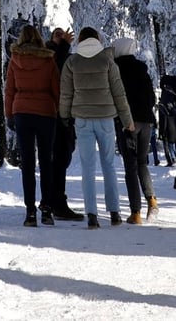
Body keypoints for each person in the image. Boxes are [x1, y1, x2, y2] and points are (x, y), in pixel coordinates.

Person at [58, 26, 134, 228]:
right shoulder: (107, 60)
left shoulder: (72, 62)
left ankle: (92, 214)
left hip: (82, 119)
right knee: (109, 165)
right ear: (98, 39)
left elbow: (66, 93)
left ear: (80, 40)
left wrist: (64, 116)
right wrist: (127, 120)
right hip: (106, 118)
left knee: (87, 167)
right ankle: (115, 212)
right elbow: (119, 93)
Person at [4, 24, 60, 226]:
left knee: (27, 163)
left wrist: (9, 114)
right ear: (38, 38)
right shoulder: (48, 59)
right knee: (46, 161)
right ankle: (46, 208)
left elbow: (9, 90)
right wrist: (59, 111)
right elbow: (56, 88)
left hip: (22, 113)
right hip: (46, 112)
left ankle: (30, 212)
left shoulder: (15, 60)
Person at [111, 37, 158, 223]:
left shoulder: (116, 69)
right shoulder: (142, 70)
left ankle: (135, 212)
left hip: (126, 122)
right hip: (146, 121)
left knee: (130, 167)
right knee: (142, 163)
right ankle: (151, 199)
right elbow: (152, 98)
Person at [42, 28, 81, 220]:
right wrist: (64, 46)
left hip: (66, 114)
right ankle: (56, 203)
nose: (60, 36)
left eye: (61, 34)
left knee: (63, 157)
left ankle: (53, 201)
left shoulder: (68, 57)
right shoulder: (48, 55)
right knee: (57, 159)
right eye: (56, 34)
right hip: (54, 114)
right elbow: (56, 69)